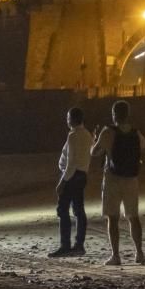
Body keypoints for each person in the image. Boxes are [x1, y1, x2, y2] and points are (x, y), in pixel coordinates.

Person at [91, 99, 145, 266]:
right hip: (131, 179)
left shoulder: (108, 132)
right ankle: (139, 253)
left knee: (113, 218)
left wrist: (95, 139)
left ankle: (116, 255)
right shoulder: (137, 133)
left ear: (114, 114)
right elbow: (141, 149)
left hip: (112, 178)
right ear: (128, 114)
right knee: (133, 217)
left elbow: (95, 152)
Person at [51, 107, 91, 257]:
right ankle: (79, 244)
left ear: (73, 119)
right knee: (79, 210)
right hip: (82, 175)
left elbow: (71, 163)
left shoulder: (73, 136)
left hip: (72, 176)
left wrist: (62, 181)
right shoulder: (87, 134)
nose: (67, 120)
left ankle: (65, 245)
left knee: (63, 209)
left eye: (68, 117)